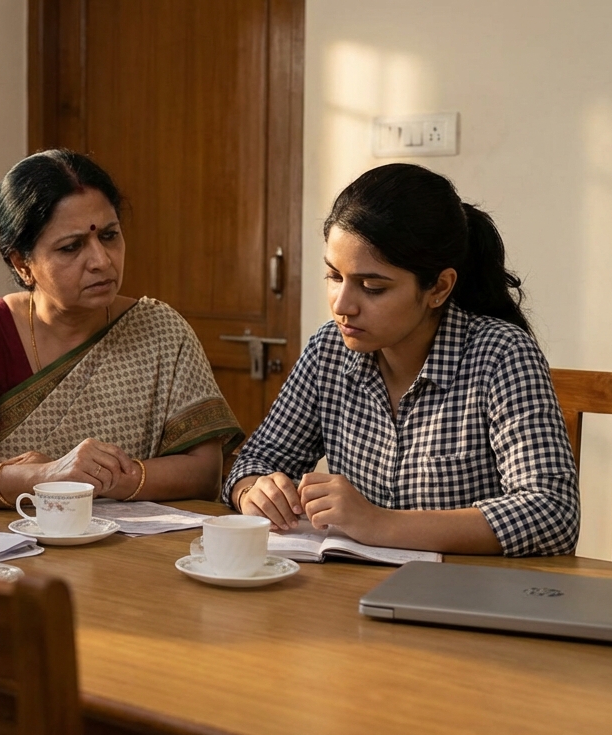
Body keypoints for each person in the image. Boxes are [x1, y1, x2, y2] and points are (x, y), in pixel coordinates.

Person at [224, 163, 578, 556]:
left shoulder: (500, 354)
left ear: (438, 288)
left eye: (372, 287)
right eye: (334, 276)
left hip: (467, 597)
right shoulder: (329, 349)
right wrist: (253, 490)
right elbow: (254, 460)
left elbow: (552, 513)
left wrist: (378, 522)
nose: (342, 306)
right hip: (351, 593)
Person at [0, 149, 242, 507]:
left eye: (109, 236)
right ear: (22, 263)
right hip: (17, 541)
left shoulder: (162, 330)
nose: (101, 261)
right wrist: (45, 477)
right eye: (71, 247)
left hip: (137, 548)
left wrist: (102, 478)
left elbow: (205, 474)